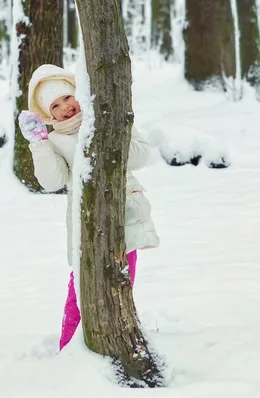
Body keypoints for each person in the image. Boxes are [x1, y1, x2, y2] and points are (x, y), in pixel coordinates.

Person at [17, 64, 160, 351]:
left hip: (123, 216)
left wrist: (115, 126)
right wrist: (39, 145)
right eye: (55, 105)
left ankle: (119, 341)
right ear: (49, 114)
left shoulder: (104, 117)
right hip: (88, 224)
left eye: (67, 98)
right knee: (80, 287)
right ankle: (69, 346)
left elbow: (141, 157)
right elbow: (51, 180)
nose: (65, 107)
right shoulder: (55, 141)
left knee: (122, 280)